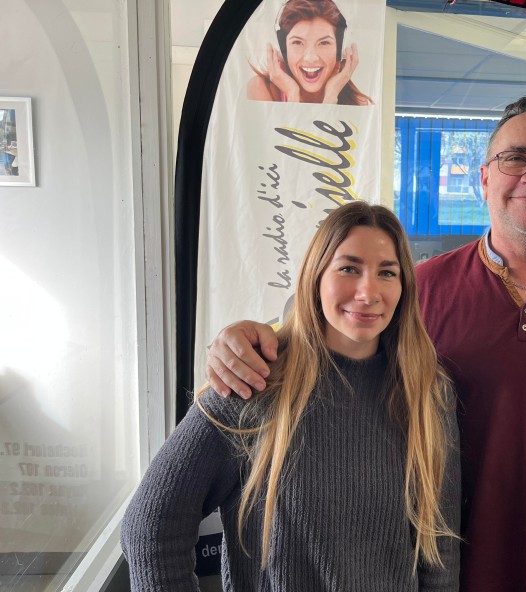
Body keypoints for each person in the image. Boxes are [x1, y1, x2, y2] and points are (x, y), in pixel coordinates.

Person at [205, 96, 526, 592]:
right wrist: (247, 339)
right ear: (484, 178)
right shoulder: (420, 290)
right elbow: (325, 338)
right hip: (443, 577)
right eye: (515, 158)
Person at [122, 202, 460, 590]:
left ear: (403, 288)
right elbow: (151, 526)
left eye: (387, 272)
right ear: (315, 277)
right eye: (348, 268)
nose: (368, 292)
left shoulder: (428, 392)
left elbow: (440, 552)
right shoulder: (254, 383)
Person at [247, 0, 373, 105]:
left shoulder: (358, 103)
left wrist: (330, 97)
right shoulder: (261, 89)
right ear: (282, 48)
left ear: (339, 49)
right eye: (297, 42)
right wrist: (292, 94)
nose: (311, 58)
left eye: (324, 43)